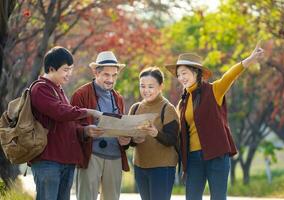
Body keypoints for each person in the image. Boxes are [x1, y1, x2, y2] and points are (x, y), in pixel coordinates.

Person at [165, 44, 264, 200]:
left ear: (196, 72)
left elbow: (229, 76)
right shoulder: (182, 103)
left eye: (184, 73)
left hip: (216, 155)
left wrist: (249, 60)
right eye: (178, 74)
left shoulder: (213, 90)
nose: (181, 78)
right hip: (193, 159)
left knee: (218, 197)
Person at [30, 46, 104, 200]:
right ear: (51, 69)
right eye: (65, 69)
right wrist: (89, 111)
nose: (69, 74)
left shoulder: (58, 89)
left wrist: (84, 131)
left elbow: (66, 125)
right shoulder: (40, 89)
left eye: (71, 69)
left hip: (65, 160)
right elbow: (61, 113)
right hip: (48, 162)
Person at [70, 51, 131, 200]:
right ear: (96, 73)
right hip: (90, 156)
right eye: (106, 75)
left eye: (114, 75)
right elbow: (70, 127)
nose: (110, 79)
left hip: (115, 156)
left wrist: (126, 140)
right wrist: (85, 131)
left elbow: (121, 126)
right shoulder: (81, 94)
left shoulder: (119, 98)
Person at [129, 67, 180, 200]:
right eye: (142, 86)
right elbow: (130, 140)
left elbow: (172, 140)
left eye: (151, 86)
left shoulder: (168, 109)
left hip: (162, 168)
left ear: (161, 86)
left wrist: (156, 133)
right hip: (140, 166)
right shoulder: (135, 108)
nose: (146, 90)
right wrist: (131, 140)